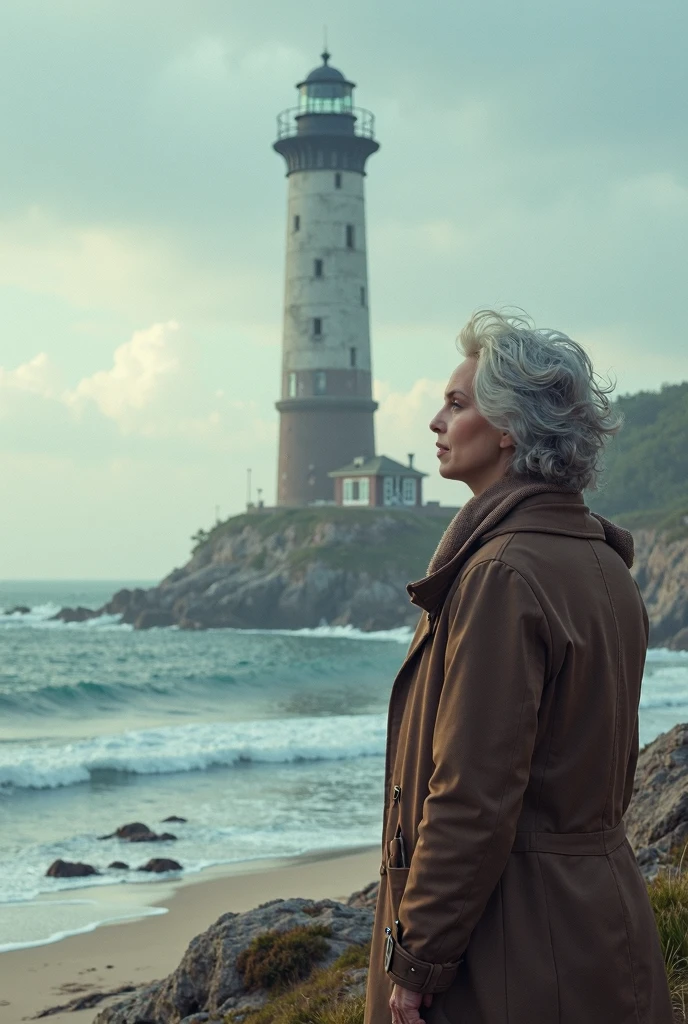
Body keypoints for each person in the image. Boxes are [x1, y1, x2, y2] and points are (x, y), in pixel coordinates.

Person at [364, 310, 673, 1024]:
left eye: (457, 402)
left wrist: (417, 962)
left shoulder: (501, 575)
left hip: (515, 951)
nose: (436, 421)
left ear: (509, 429)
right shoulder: (606, 565)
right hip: (600, 925)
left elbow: (473, 795)